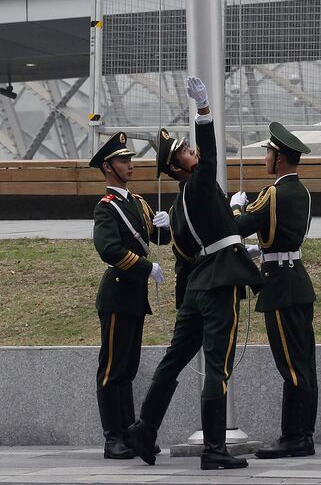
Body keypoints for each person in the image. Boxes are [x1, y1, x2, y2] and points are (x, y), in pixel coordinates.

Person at [125, 76, 263, 471]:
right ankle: (215, 450)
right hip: (219, 287)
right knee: (218, 365)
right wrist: (203, 111)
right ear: (176, 166)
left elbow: (188, 253)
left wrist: (236, 235)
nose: (192, 153)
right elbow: (212, 153)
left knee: (174, 360)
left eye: (188, 148)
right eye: (184, 152)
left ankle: (145, 428)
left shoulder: (182, 202)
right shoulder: (200, 184)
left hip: (197, 290)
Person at [230, 122, 318, 459]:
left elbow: (239, 225)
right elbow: (283, 235)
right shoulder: (302, 192)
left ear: (279, 158)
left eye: (268, 152)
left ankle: (294, 437)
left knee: (292, 366)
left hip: (281, 287)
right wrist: (261, 250)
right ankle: (303, 434)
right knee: (304, 364)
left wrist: (237, 205)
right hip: (297, 279)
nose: (265, 157)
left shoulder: (273, 193)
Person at [91, 131, 170, 460]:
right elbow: (108, 249)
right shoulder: (106, 207)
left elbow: (161, 238)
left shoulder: (137, 203)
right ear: (108, 167)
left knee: (128, 369)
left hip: (134, 298)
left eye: (130, 159)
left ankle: (129, 434)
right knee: (111, 370)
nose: (130, 165)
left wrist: (167, 223)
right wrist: (144, 267)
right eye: (124, 160)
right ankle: (114, 437)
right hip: (118, 292)